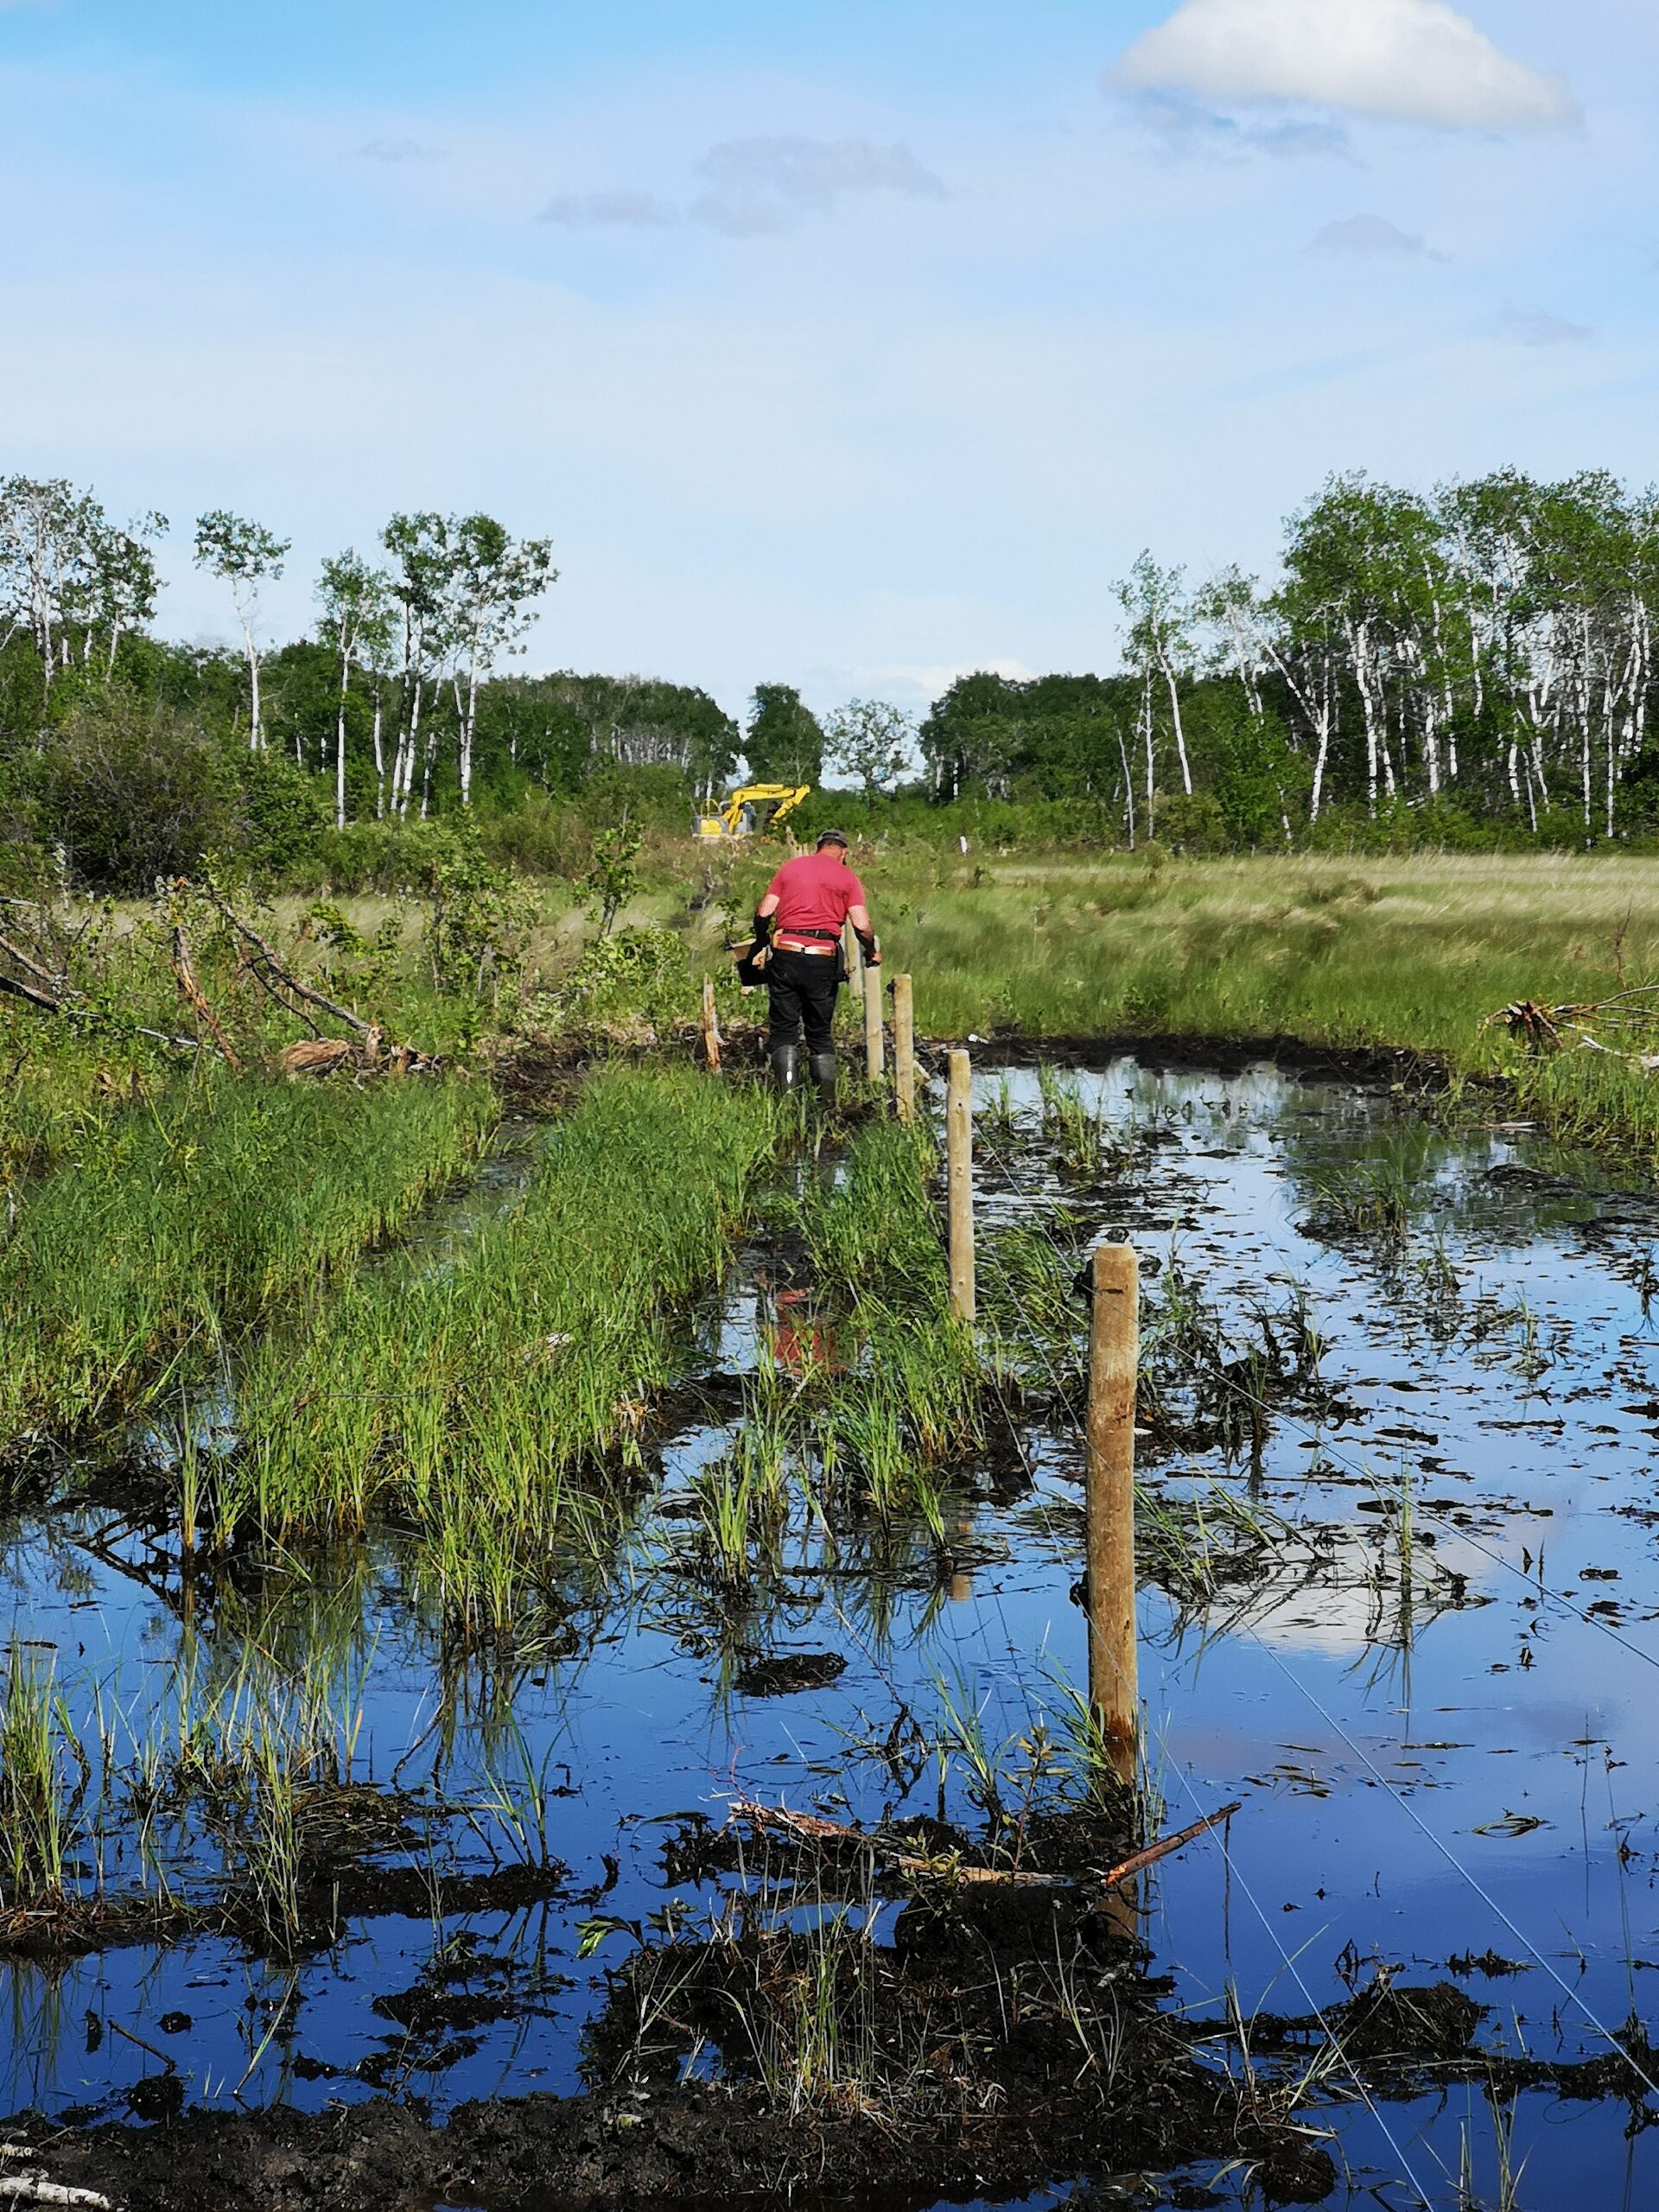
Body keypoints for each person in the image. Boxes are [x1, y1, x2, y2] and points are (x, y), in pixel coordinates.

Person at [751, 830, 878, 1100]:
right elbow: (862, 925)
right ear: (843, 853)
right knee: (819, 1033)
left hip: (786, 953)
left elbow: (764, 912)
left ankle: (786, 1102)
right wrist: (871, 951)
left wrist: (762, 938)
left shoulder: (790, 868)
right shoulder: (847, 877)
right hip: (822, 958)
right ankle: (826, 1106)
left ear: (818, 847)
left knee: (784, 1030)